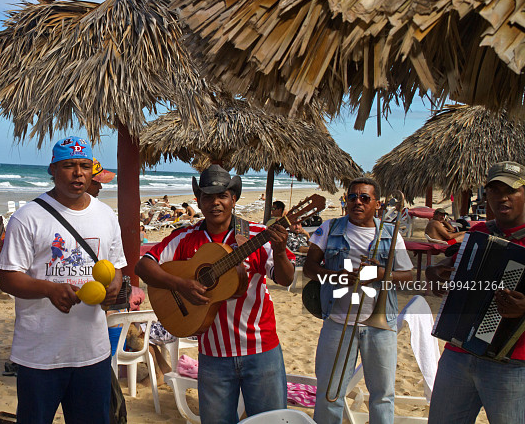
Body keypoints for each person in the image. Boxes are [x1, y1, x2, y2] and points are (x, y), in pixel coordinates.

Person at [135, 164, 294, 423]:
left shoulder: (254, 235)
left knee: (270, 421)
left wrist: (278, 249)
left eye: (222, 196)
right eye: (207, 197)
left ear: (234, 198)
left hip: (261, 349)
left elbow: (285, 277)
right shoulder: (185, 237)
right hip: (213, 354)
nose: (215, 203)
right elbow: (144, 265)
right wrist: (180, 284)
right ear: (198, 201)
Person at [0, 136, 126, 424]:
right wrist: (49, 289)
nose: (78, 173)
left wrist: (114, 285)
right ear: (53, 170)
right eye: (69, 166)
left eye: (84, 165)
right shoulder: (27, 217)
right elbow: (7, 278)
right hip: (39, 354)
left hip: (92, 352)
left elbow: (116, 266)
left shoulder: (106, 215)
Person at [303, 177, 413, 424]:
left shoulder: (390, 234)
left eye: (365, 198)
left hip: (380, 326)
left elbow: (407, 275)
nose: (357, 202)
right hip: (337, 322)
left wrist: (381, 273)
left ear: (377, 204)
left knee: (383, 396)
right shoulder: (330, 228)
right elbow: (310, 268)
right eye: (352, 197)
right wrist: (335, 277)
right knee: (330, 393)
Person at [426, 161, 525, 424]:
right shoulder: (480, 232)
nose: (502, 197)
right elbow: (450, 266)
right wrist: (436, 273)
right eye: (494, 190)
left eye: (511, 190)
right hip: (458, 352)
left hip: (513, 363)